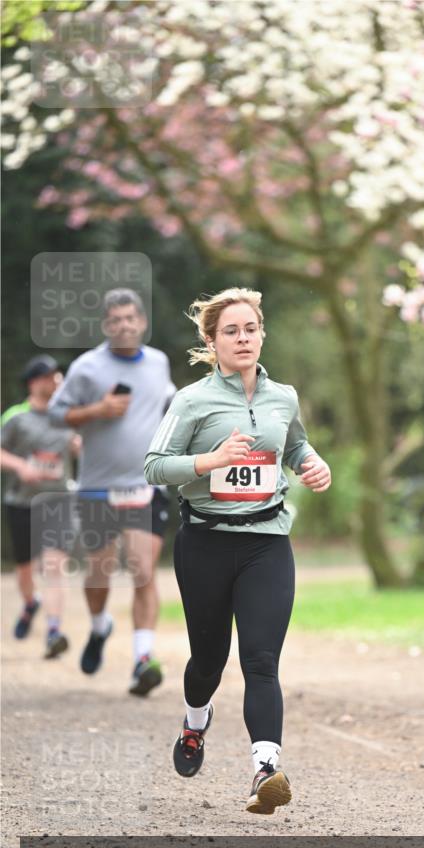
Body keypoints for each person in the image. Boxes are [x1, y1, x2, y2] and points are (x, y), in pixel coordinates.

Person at [144, 287, 331, 815]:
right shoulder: (192, 401)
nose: (243, 338)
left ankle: (265, 771)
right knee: (209, 660)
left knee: (261, 660)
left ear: (262, 334)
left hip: (266, 543)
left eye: (251, 329)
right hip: (204, 543)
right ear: (212, 342)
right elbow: (154, 466)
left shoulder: (283, 397)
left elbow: (294, 444)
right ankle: (195, 722)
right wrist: (209, 460)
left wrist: (312, 463)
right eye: (231, 331)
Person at [48, 288, 175, 695]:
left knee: (143, 571)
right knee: (98, 574)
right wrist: (97, 410)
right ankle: (100, 625)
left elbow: (169, 403)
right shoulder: (87, 367)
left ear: (142, 322)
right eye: (115, 320)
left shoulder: (159, 363)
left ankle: (142, 660)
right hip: (98, 489)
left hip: (145, 485)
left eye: (130, 318)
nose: (124, 325)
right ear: (105, 325)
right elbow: (55, 413)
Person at [1, 355, 79, 657]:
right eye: (49, 376)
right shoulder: (16, 417)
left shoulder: (69, 415)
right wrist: (21, 466)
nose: (56, 381)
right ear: (33, 383)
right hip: (23, 502)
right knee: (25, 570)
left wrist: (79, 446)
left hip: (59, 500)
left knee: (54, 566)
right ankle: (30, 603)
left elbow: (84, 445)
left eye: (58, 376)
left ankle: (54, 631)